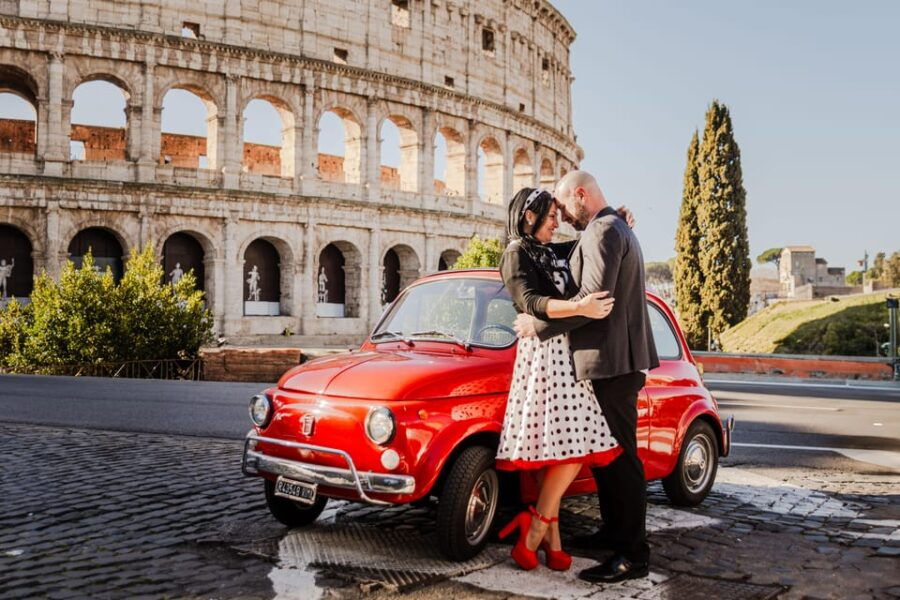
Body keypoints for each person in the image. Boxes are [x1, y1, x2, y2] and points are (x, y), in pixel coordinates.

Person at [514, 171, 659, 583]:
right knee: (609, 459)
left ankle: (633, 555)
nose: (561, 215)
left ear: (581, 195)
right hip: (615, 361)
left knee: (623, 461)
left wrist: (537, 327)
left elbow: (593, 301)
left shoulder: (602, 231)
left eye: (563, 206)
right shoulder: (612, 227)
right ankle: (614, 534)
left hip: (611, 363)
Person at [496, 187, 632, 572]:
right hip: (543, 354)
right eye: (551, 217)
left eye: (558, 216)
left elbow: (587, 244)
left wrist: (616, 218)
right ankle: (538, 527)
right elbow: (531, 303)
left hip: (561, 351)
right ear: (529, 216)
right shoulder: (515, 253)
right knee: (576, 442)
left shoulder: (548, 249)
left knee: (555, 446)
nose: (557, 224)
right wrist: (579, 306)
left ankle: (548, 537)